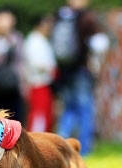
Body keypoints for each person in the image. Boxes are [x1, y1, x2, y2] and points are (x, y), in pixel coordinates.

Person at [53, 0, 104, 155]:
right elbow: (100, 45)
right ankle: (84, 149)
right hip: (81, 70)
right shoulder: (86, 18)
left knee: (68, 109)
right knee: (85, 110)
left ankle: (59, 146)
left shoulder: (59, 16)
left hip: (64, 72)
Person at [0, 7, 25, 124]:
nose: (5, 23)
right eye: (2, 19)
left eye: (8, 19)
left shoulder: (16, 38)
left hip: (12, 89)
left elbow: (20, 64)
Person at [23, 15, 56, 132]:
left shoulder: (42, 40)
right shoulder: (34, 41)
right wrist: (50, 69)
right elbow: (36, 64)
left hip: (45, 83)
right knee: (39, 116)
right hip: (37, 83)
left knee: (46, 115)